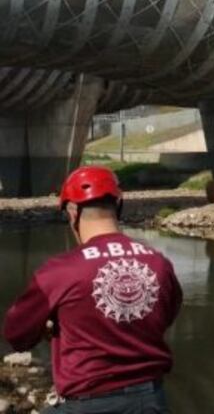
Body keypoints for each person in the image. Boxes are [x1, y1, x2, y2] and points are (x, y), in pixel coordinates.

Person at [2, 165, 182, 412]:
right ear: (118, 205)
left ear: (73, 212)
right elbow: (166, 315)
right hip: (151, 401)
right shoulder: (159, 263)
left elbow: (16, 334)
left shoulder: (59, 271)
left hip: (88, 405)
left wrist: (49, 327)